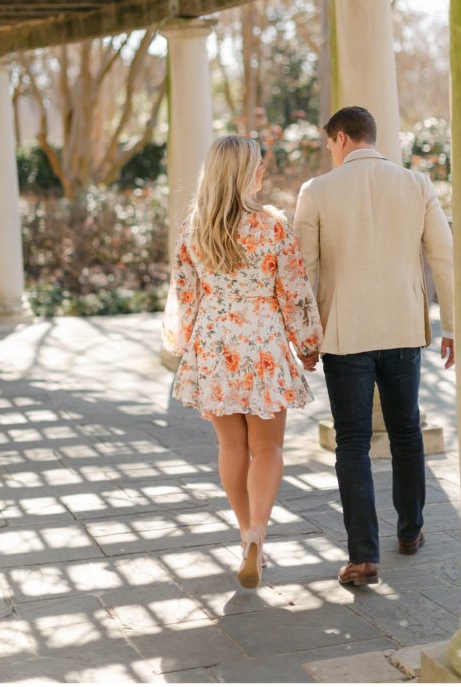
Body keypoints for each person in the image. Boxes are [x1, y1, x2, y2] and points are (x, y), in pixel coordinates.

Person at [293, 106, 454, 586]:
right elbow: (443, 256)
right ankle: (410, 530)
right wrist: (453, 327)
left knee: (353, 442)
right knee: (406, 431)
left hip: (345, 334)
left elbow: (303, 270)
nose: (330, 152)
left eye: (328, 144)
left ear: (341, 138)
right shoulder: (416, 185)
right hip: (404, 328)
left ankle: (363, 556)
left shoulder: (316, 191)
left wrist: (305, 337)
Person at [162, 135, 322, 588]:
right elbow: (293, 291)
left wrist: (183, 346)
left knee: (231, 447)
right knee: (267, 448)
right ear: (245, 172)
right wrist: (307, 343)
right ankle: (258, 534)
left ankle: (244, 533)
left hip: (215, 346)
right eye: (259, 165)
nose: (263, 173)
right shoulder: (271, 227)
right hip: (263, 343)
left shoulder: (194, 229)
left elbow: (184, 295)